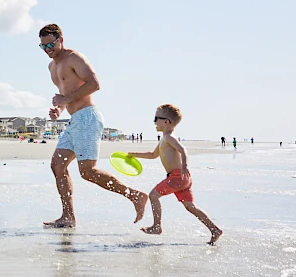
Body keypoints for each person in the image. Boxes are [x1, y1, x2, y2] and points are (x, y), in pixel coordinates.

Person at [40, 24, 147, 228]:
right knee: (57, 166)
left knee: (88, 172)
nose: (48, 50)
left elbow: (94, 84)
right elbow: (67, 94)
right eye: (43, 46)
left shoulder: (74, 58)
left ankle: (134, 195)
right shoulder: (52, 67)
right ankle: (68, 217)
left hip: (88, 118)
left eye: (51, 44)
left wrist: (65, 99)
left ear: (61, 40)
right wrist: (59, 109)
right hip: (74, 121)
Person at [129, 104, 222, 245]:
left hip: (177, 176)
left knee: (153, 195)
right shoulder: (164, 139)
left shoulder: (169, 138)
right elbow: (153, 155)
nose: (154, 122)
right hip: (183, 178)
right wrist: (135, 155)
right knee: (190, 206)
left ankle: (157, 226)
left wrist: (184, 165)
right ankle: (214, 229)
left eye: (156, 118)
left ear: (166, 122)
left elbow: (183, 150)